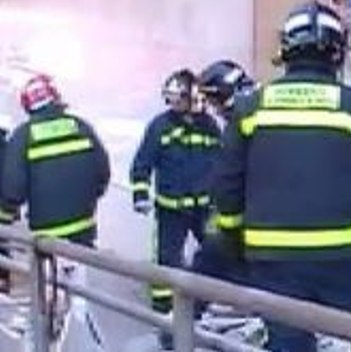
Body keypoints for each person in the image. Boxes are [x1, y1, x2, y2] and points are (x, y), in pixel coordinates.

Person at [213, 0, 351, 352]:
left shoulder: (250, 108)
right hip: (347, 255)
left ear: (286, 50)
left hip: (272, 258)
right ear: (337, 52)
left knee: (287, 341)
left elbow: (227, 185)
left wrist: (232, 237)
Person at [129, 68, 220, 325]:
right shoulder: (160, 126)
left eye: (178, 98)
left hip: (207, 209)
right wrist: (140, 194)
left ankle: (216, 300)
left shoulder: (210, 126)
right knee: (168, 258)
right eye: (171, 99)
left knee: (218, 250)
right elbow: (142, 164)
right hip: (172, 210)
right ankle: (164, 308)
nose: (173, 104)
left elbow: (223, 162)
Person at [1, 74, 110, 247]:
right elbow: (102, 172)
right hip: (84, 227)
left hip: (45, 233)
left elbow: (13, 188)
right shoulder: (81, 126)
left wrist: (6, 216)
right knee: (77, 271)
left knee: (49, 274)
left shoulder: (23, 136)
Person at [191, 61, 256, 292]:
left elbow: (230, 175)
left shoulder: (242, 121)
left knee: (209, 259)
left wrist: (227, 226)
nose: (213, 109)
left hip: (254, 215)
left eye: (213, 101)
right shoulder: (260, 110)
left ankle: (184, 320)